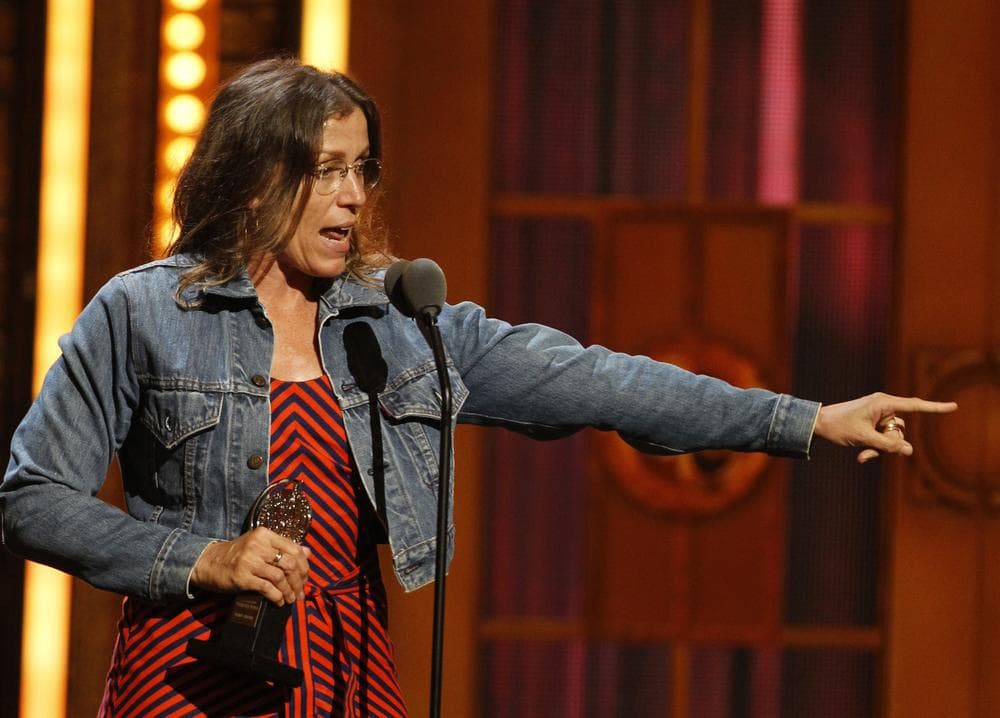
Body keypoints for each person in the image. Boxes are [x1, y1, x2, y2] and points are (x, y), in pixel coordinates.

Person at [1, 57, 956, 717]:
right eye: (324, 169)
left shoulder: (402, 328)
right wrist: (205, 560)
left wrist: (804, 419)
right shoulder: (142, 314)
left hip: (343, 669)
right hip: (192, 675)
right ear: (252, 180)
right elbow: (33, 500)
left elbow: (601, 383)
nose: (350, 195)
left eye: (360, 170)